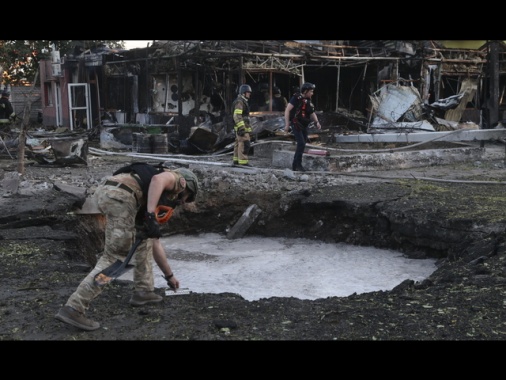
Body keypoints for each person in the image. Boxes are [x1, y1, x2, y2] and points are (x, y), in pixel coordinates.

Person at [55, 163, 199, 331]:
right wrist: (151, 215)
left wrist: (169, 276)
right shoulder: (176, 178)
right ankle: (74, 308)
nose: (181, 202)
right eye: (186, 198)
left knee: (143, 241)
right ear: (187, 186)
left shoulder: (145, 196)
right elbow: (158, 180)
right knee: (115, 257)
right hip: (121, 197)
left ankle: (143, 291)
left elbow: (154, 243)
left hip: (111, 194)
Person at [284, 82, 322, 172]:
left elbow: (312, 113)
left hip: (304, 125)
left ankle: (295, 164)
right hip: (296, 123)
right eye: (311, 91)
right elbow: (287, 110)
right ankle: (298, 165)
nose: (312, 93)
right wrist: (287, 124)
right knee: (300, 143)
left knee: (303, 144)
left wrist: (317, 122)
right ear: (305, 91)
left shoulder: (308, 102)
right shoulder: (296, 98)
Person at [232, 84, 253, 167]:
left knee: (238, 143)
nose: (249, 94)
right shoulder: (240, 102)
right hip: (242, 127)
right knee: (245, 143)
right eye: (248, 92)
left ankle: (236, 161)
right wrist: (242, 127)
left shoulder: (241, 101)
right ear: (244, 93)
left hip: (241, 127)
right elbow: (237, 115)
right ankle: (243, 162)